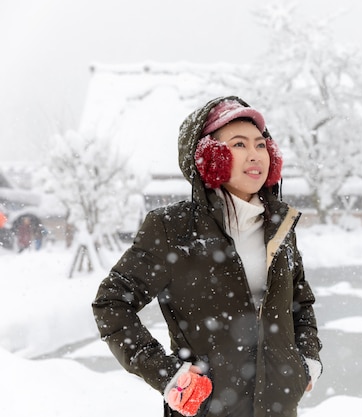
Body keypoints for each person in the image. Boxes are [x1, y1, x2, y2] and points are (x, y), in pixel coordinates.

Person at [92, 96, 322, 417]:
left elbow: (300, 302)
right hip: (208, 408)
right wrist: (168, 375)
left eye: (260, 144)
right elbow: (112, 304)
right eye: (239, 144)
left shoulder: (279, 226)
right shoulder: (172, 229)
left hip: (279, 407)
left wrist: (306, 360)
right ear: (209, 158)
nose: (255, 155)